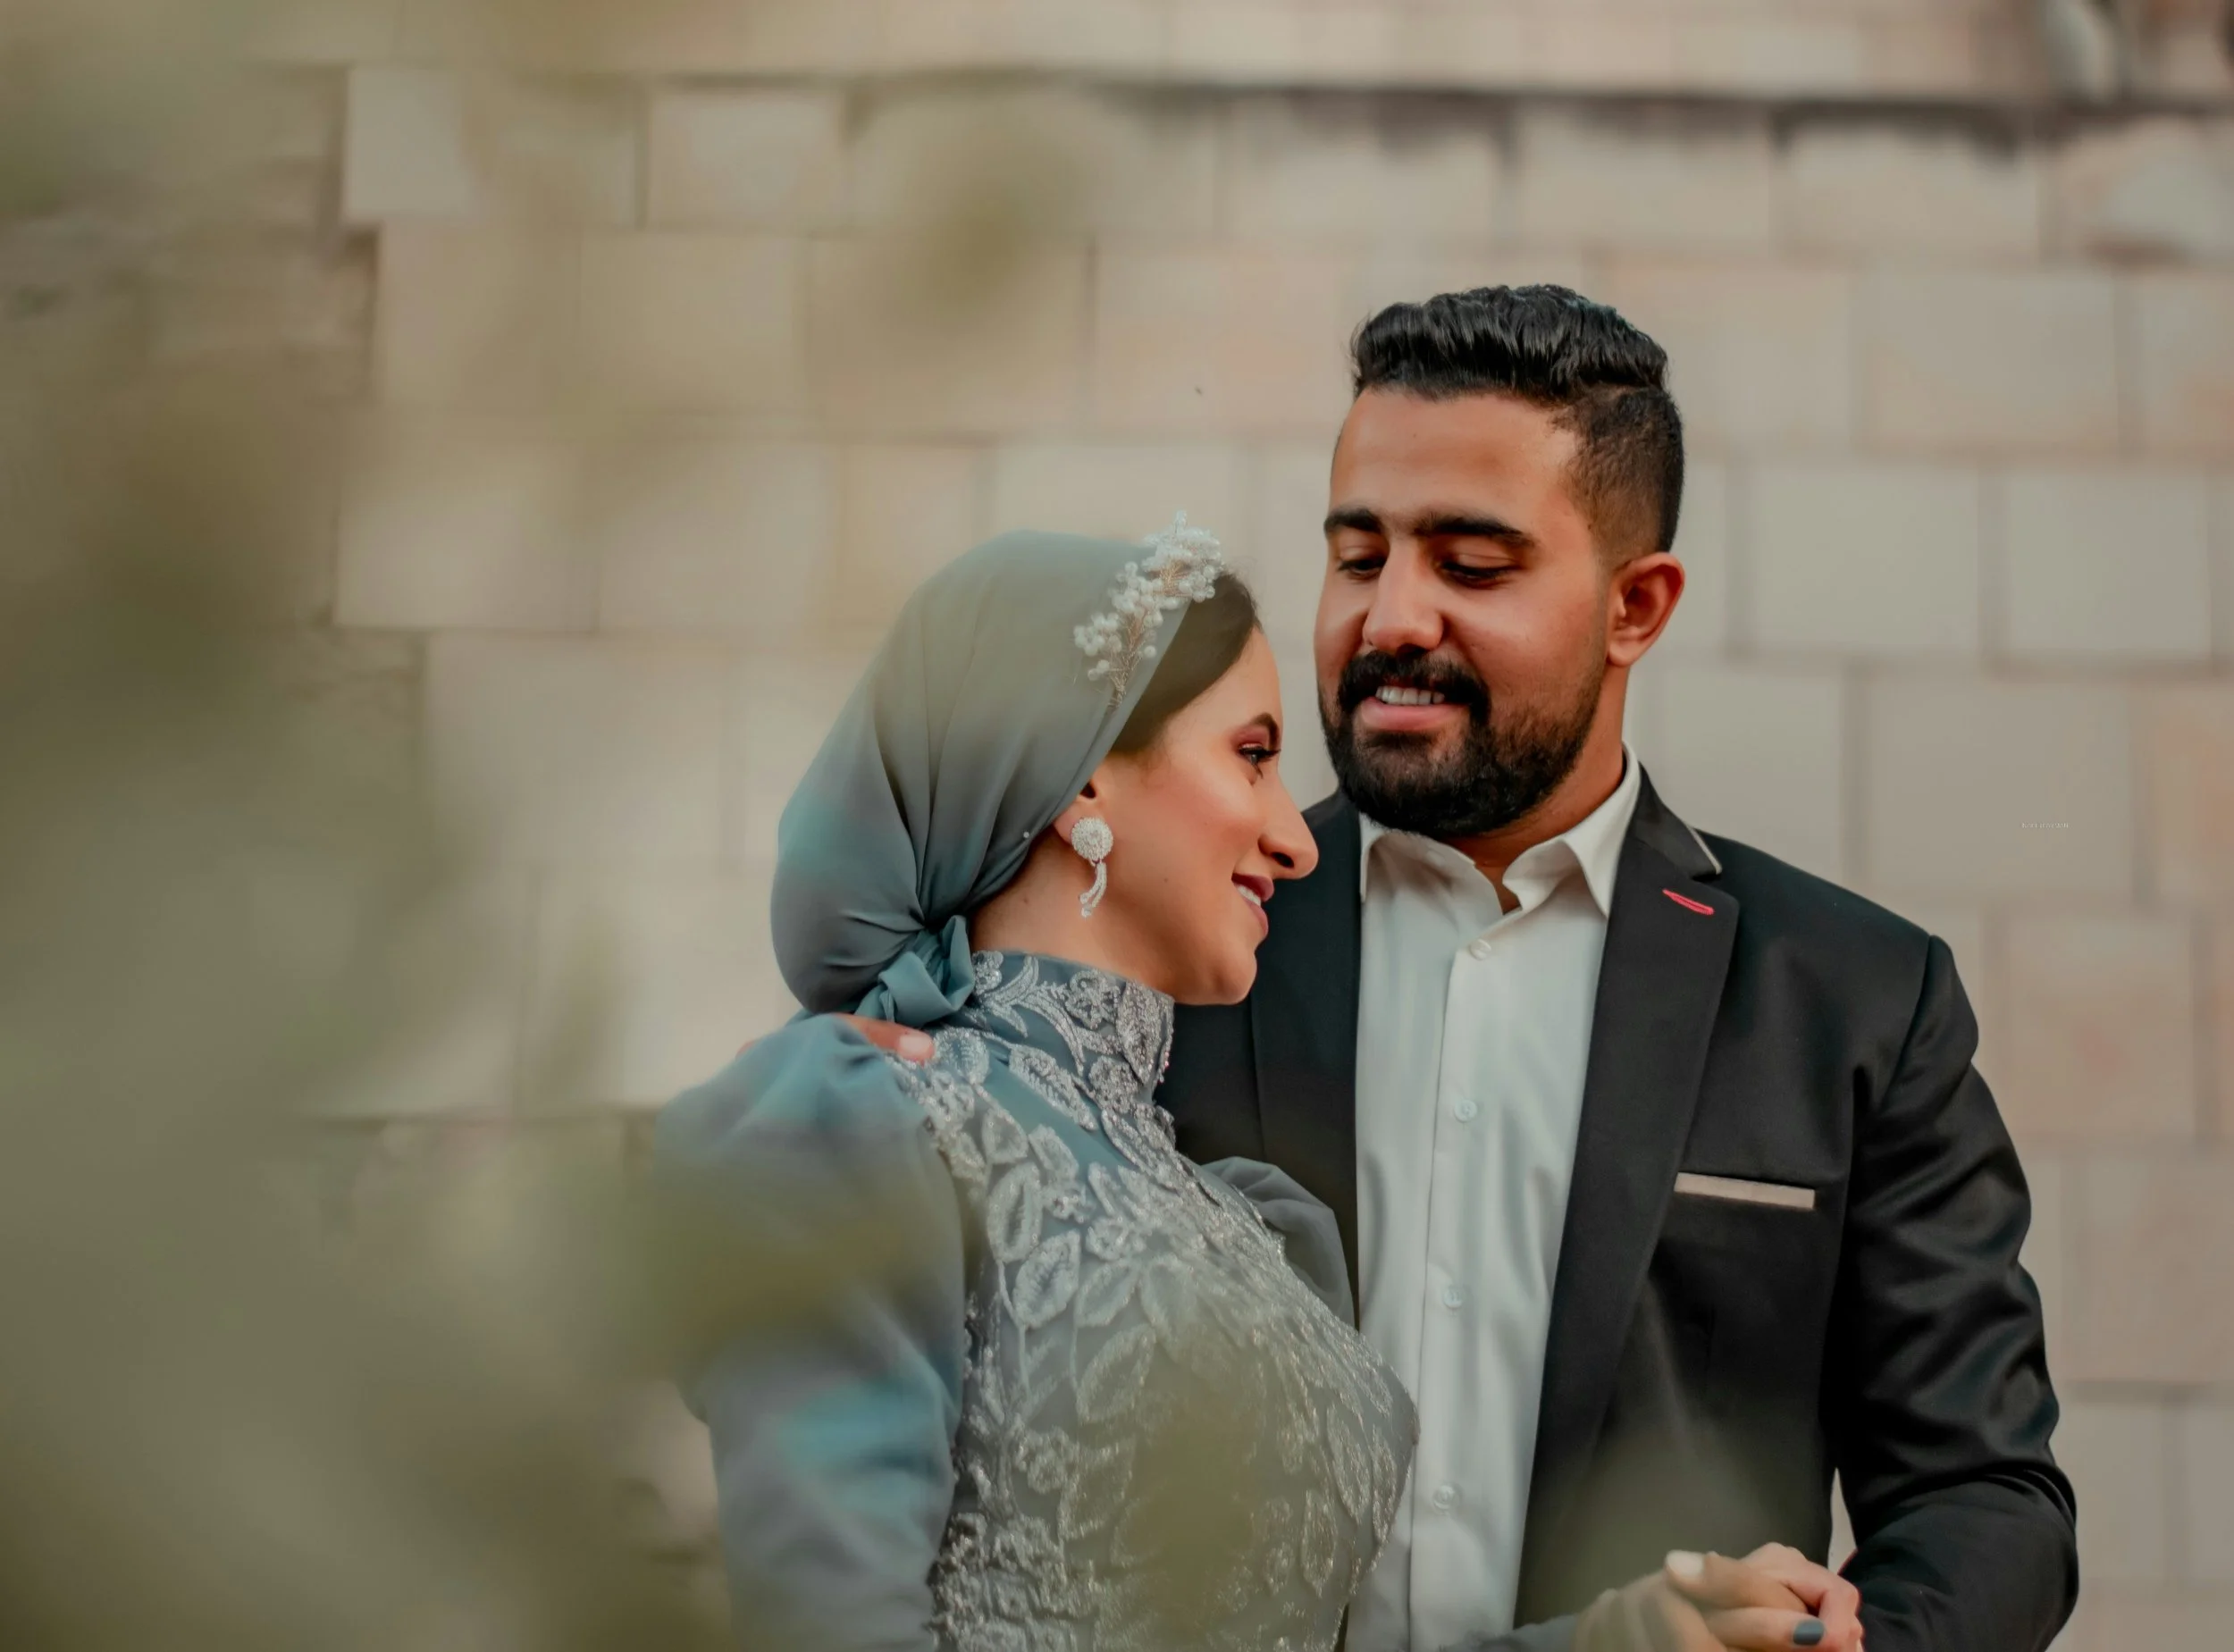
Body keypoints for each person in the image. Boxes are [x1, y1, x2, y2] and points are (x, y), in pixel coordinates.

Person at [1152, 287, 2079, 1651]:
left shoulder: (1859, 1001)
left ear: (1635, 606)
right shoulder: (1164, 946)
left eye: (1471, 566)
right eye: (1360, 556)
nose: (1391, 618)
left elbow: (1984, 1494)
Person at [658, 521, 1419, 1652]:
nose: (1291, 837)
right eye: (1252, 755)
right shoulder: (877, 1124)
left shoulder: (1260, 1224)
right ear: (1086, 776)